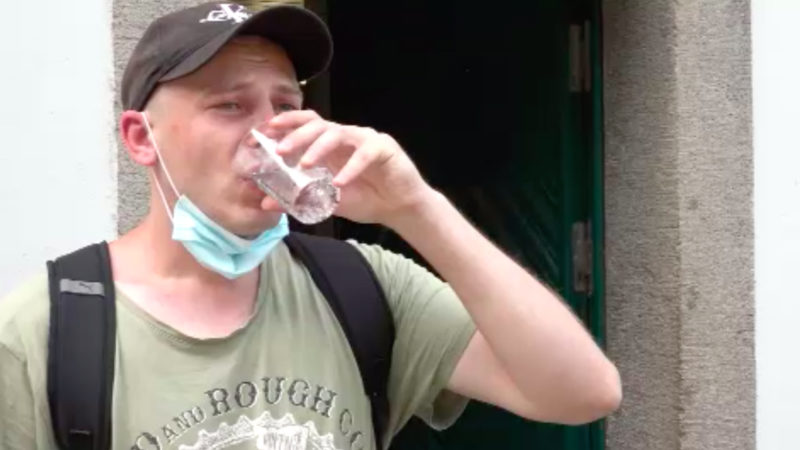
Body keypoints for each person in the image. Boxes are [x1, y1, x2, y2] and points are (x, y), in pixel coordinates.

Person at [0, 2, 621, 449]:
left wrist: (416, 207)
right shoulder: (47, 328)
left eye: (286, 106)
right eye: (230, 105)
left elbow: (582, 393)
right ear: (141, 138)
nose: (269, 133)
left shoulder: (361, 286)